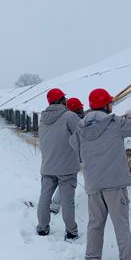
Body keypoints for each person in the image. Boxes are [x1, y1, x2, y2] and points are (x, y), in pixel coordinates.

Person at [69, 88, 131, 260]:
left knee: (95, 223)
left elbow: (73, 143)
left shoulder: (81, 126)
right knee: (121, 223)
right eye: (111, 102)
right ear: (106, 104)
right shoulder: (115, 122)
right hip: (115, 183)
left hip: (93, 183)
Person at [36, 88, 82, 240]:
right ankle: (71, 232)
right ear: (62, 100)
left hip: (48, 165)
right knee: (68, 201)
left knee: (44, 198)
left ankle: (42, 228)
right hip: (67, 167)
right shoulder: (69, 116)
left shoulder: (43, 117)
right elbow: (81, 134)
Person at [50, 97, 86, 214]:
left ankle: (55, 205)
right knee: (66, 183)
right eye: (81, 108)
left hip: (62, 157)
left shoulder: (65, 119)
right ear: (77, 110)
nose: (83, 109)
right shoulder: (76, 122)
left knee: (62, 182)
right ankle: (56, 206)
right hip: (71, 157)